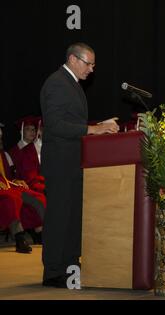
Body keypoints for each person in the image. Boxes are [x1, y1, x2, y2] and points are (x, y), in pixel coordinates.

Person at [40, 43, 119, 288]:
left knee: (74, 217)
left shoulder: (72, 83)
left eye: (93, 65)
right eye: (89, 64)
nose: (92, 69)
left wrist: (100, 125)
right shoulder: (56, 82)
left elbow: (73, 122)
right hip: (61, 163)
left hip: (74, 162)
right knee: (59, 217)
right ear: (73, 59)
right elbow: (55, 125)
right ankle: (53, 272)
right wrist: (94, 129)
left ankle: (71, 266)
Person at [1, 123, 46, 253]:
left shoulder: (4, 155)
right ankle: (19, 238)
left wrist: (16, 180)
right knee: (11, 199)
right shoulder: (14, 151)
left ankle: (41, 232)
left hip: (9, 186)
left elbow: (11, 175)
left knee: (37, 197)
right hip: (5, 191)